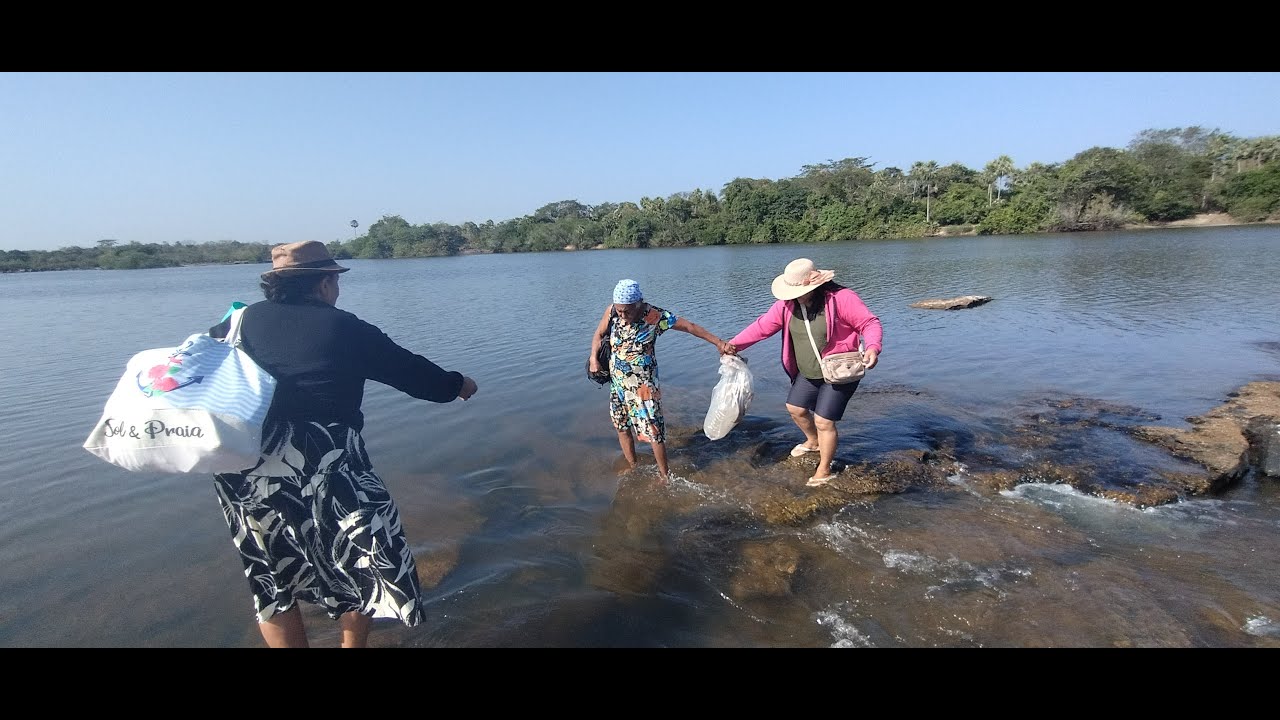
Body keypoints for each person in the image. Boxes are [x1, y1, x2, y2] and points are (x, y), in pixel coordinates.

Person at [207, 240, 478, 648]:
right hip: (324, 460)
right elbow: (415, 375)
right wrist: (459, 385)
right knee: (366, 554)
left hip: (242, 465)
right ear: (324, 283)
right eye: (334, 280)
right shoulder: (342, 327)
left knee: (270, 573)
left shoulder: (234, 323)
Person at [725, 258, 882, 487]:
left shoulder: (841, 299)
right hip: (809, 371)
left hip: (839, 370)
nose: (791, 296)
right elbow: (761, 327)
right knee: (796, 409)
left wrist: (872, 347)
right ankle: (814, 442)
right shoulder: (787, 305)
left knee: (823, 420)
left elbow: (869, 323)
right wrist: (733, 346)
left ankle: (825, 468)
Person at [588, 278, 734, 481]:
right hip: (618, 385)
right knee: (621, 427)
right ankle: (632, 466)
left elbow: (690, 327)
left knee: (654, 432)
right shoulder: (612, 311)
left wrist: (718, 342)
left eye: (627, 311)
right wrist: (594, 359)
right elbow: (598, 334)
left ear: (639, 303)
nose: (622, 315)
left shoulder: (655, 316)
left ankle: (664, 476)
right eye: (620, 311)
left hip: (644, 388)